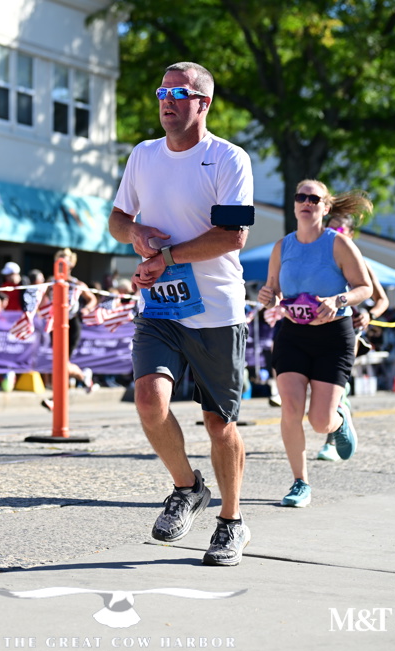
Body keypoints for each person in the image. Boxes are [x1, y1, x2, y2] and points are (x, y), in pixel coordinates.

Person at [108, 61, 253, 566]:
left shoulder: (229, 158)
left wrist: (164, 258)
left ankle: (232, 522)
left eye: (178, 93)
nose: (166, 101)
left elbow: (233, 236)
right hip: (160, 307)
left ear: (203, 103)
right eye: (161, 92)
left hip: (216, 310)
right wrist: (135, 233)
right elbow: (117, 218)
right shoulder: (143, 155)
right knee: (149, 401)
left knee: (218, 423)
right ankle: (188, 488)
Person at [258, 181, 372, 508]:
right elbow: (273, 292)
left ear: (325, 207)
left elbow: (364, 287)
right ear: (294, 204)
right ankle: (300, 483)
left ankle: (339, 420)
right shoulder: (282, 247)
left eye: (314, 198)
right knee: (291, 409)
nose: (306, 202)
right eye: (301, 197)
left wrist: (339, 300)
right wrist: (268, 296)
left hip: (333, 337)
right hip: (293, 336)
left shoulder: (338, 244)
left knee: (319, 421)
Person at [315, 212, 389, 462]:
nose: (333, 235)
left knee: (333, 385)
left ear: (351, 234)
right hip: (316, 331)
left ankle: (332, 440)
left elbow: (382, 300)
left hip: (348, 332)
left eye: (339, 230)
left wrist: (369, 314)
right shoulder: (316, 257)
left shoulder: (359, 262)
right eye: (329, 229)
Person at [39, 247, 98, 411]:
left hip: (71, 323)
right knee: (60, 362)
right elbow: (42, 299)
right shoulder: (52, 282)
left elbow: (92, 299)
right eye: (59, 261)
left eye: (65, 261)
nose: (62, 264)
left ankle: (56, 399)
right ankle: (83, 376)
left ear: (71, 264)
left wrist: (85, 310)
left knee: (62, 363)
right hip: (55, 324)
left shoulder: (76, 283)